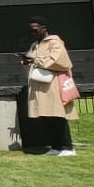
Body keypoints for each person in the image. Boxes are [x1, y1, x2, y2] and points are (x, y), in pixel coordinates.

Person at [22, 17, 80, 156]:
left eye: (34, 30)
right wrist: (27, 61)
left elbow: (59, 60)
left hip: (52, 84)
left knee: (57, 115)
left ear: (44, 28)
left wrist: (36, 60)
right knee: (46, 116)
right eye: (30, 31)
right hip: (39, 85)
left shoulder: (55, 42)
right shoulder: (35, 45)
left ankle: (67, 147)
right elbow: (34, 61)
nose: (32, 33)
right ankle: (55, 147)